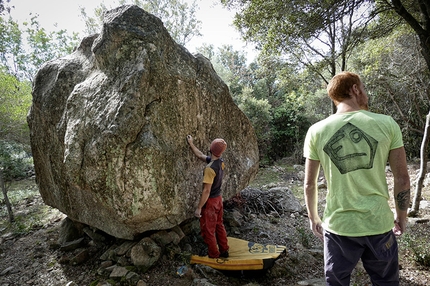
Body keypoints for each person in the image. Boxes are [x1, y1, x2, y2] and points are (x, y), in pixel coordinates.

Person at [303, 71, 411, 285]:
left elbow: (309, 184)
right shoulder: (387, 124)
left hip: (339, 227)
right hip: (378, 224)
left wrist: (313, 218)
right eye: (364, 88)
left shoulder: (317, 130)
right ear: (354, 89)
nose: (366, 94)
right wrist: (401, 216)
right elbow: (402, 179)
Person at [186, 135, 230, 259]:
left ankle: (214, 255)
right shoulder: (220, 162)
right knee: (219, 225)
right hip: (218, 200)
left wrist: (199, 207)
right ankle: (224, 250)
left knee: (208, 230)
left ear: (211, 148)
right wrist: (191, 143)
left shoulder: (209, 169)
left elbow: (206, 190)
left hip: (211, 201)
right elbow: (200, 155)